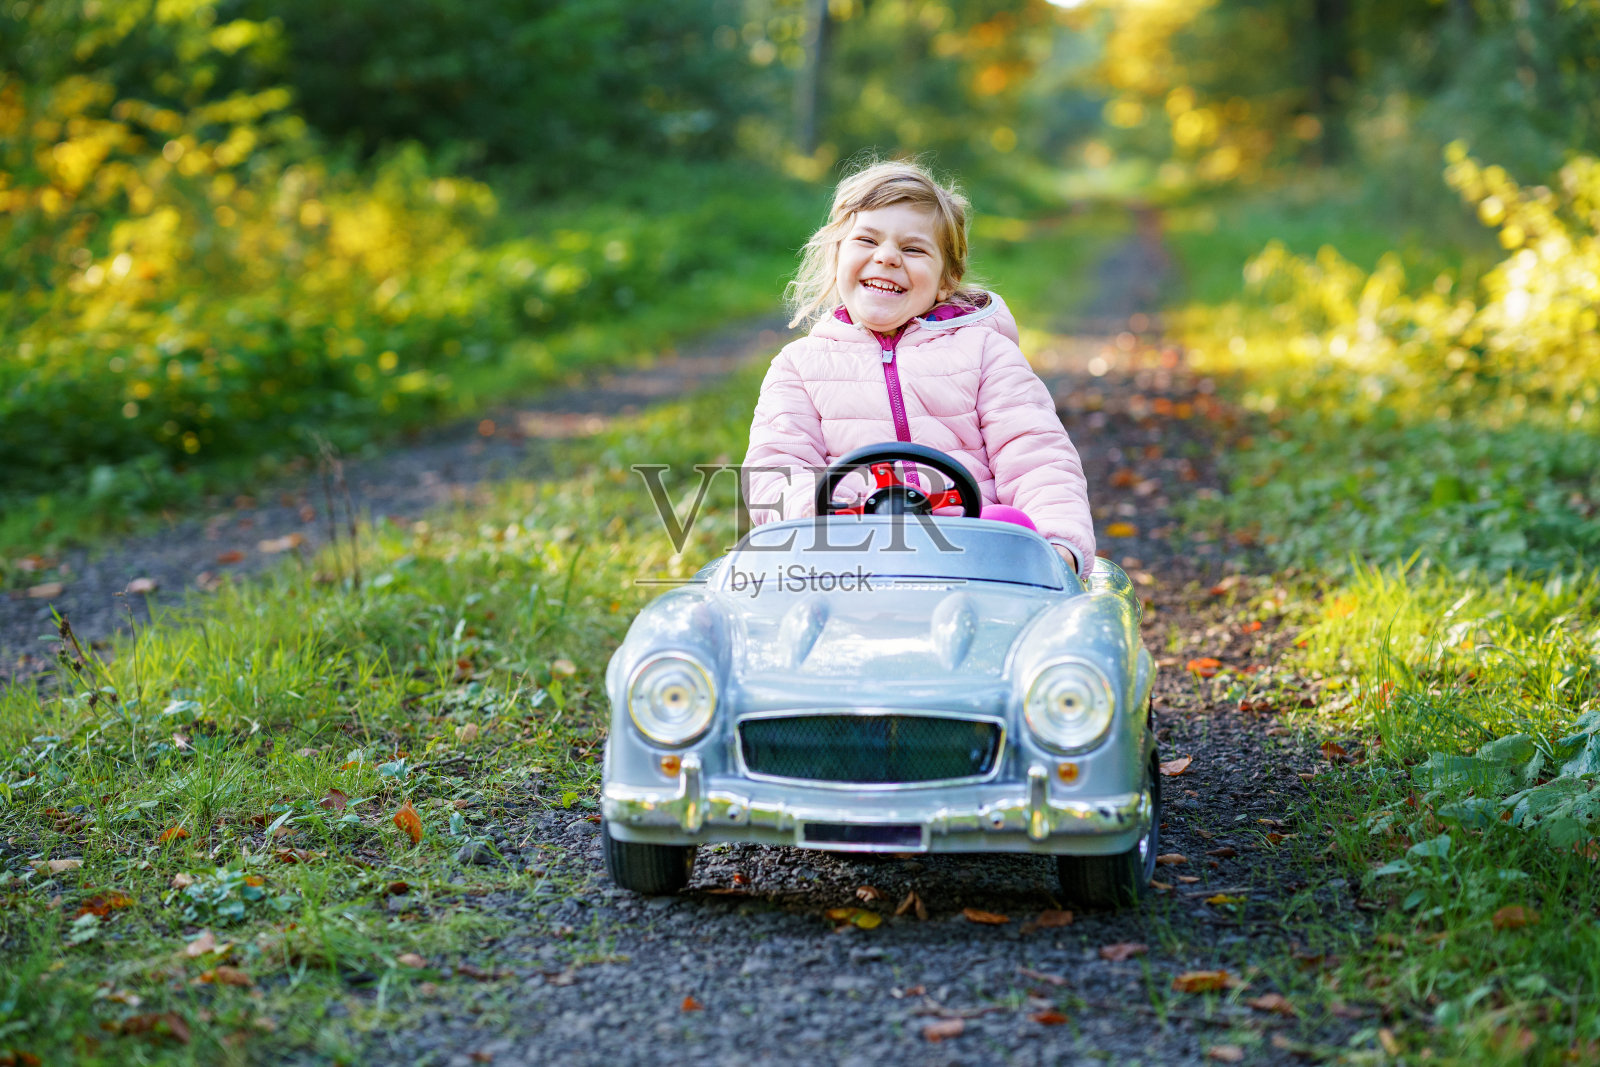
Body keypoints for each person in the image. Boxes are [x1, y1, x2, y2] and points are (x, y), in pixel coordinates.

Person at [742, 159, 1095, 577]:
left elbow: (1036, 455)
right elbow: (776, 469)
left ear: (946, 280)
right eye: (867, 240)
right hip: (849, 562)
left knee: (1013, 530)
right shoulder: (798, 367)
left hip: (972, 560)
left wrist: (1059, 541)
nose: (888, 257)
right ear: (837, 256)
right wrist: (828, 521)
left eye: (912, 248)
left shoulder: (985, 353)